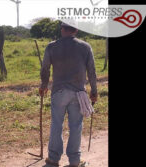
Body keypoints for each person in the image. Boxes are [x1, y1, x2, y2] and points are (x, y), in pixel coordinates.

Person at [39, 22, 98, 167]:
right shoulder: (85, 47)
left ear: (62, 29)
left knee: (56, 125)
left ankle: (53, 159)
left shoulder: (52, 46)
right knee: (76, 126)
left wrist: (44, 85)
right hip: (78, 94)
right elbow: (92, 72)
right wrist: (94, 91)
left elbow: (45, 68)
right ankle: (75, 161)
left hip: (58, 92)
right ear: (76, 30)